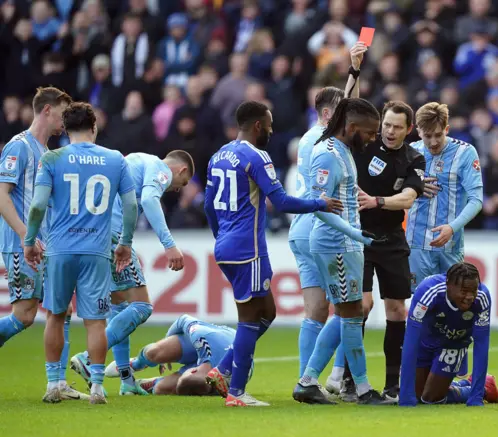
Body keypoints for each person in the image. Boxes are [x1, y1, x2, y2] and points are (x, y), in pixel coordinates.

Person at [203, 101, 343, 407]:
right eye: (268, 124)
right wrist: (321, 203)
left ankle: (223, 369)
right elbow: (280, 201)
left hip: (226, 246)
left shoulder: (218, 156)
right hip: (248, 248)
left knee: (267, 312)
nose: (271, 129)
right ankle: (236, 392)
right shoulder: (256, 157)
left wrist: (221, 237)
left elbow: (207, 205)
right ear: (256, 126)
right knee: (251, 318)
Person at [23, 102, 138, 404]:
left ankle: (52, 384)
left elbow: (37, 206)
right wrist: (124, 242)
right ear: (94, 126)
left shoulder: (52, 158)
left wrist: (30, 239)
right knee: (96, 321)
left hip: (59, 250)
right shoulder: (115, 159)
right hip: (97, 252)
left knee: (55, 316)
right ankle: (97, 387)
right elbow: (130, 205)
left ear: (64, 128)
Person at [70, 150, 194, 396]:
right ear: (180, 170)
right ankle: (88, 356)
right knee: (142, 306)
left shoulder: (136, 158)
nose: (179, 189)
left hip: (92, 232)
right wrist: (169, 245)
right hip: (112, 234)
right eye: (184, 182)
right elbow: (149, 200)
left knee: (120, 307)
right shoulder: (159, 167)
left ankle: (126, 381)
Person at [292, 98, 391, 406]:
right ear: (351, 127)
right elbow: (319, 206)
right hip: (335, 243)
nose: (374, 138)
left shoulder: (345, 151)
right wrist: (356, 233)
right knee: (350, 313)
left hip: (345, 242)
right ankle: (357, 389)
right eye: (371, 132)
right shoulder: (328, 155)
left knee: (351, 312)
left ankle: (315, 382)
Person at [327, 101, 425, 402]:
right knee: (362, 306)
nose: (390, 131)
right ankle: (347, 379)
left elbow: (409, 197)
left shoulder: (414, 158)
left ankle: (392, 384)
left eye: (397, 127)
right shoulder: (363, 146)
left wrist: (378, 201)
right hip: (357, 236)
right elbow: (348, 109)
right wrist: (354, 70)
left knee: (397, 311)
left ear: (408, 130)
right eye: (387, 125)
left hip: (392, 239)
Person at [0, 88, 87, 400]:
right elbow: (1, 195)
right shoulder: (19, 147)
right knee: (24, 315)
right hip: (22, 244)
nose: (65, 121)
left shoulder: (49, 152)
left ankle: (58, 383)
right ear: (47, 110)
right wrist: (26, 235)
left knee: (60, 310)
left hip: (48, 246)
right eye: (62, 113)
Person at [290, 42, 367, 382]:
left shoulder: (308, 138)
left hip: (300, 230)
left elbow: (355, 107)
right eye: (341, 112)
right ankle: (332, 375)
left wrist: (355, 71)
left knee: (316, 311)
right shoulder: (325, 142)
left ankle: (308, 379)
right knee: (349, 306)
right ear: (326, 114)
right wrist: (354, 68)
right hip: (325, 227)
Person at [405, 102, 484, 377]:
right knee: (421, 309)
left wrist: (452, 227)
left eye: (438, 135)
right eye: (428, 136)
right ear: (418, 133)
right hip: (416, 244)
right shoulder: (410, 153)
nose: (434, 141)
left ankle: (454, 372)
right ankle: (418, 373)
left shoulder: (465, 153)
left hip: (450, 245)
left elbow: (476, 199)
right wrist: (411, 187)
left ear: (446, 129)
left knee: (456, 308)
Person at [399, 262, 498, 407]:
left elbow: (481, 344)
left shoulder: (482, 297)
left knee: (430, 398)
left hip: (454, 343)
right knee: (417, 395)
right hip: (425, 341)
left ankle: (485, 388)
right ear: (449, 285)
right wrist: (405, 396)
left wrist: (476, 397)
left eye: (473, 291)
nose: (469, 296)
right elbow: (410, 338)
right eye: (464, 291)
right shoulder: (429, 290)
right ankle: (466, 383)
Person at [105, 315, 253, 396]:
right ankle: (135, 364)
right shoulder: (201, 336)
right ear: (193, 369)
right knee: (154, 353)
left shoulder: (224, 384)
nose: (182, 371)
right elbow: (182, 320)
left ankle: (149, 383)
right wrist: (166, 346)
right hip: (214, 340)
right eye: (184, 374)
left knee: (162, 389)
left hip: (209, 367)